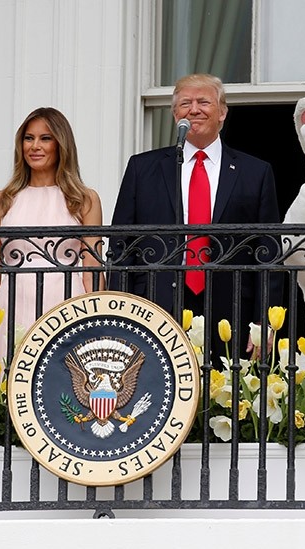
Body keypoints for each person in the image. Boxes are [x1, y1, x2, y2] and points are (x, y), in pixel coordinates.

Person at [109, 73, 282, 363]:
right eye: (185, 103)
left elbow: (268, 251)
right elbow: (121, 245)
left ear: (223, 112)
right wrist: (117, 315)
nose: (194, 109)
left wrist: (265, 321)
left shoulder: (255, 172)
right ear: (175, 114)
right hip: (155, 304)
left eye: (204, 101)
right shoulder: (143, 168)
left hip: (231, 308)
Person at [0, 107, 104, 363]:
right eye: (28, 138)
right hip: (11, 302)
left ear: (61, 144)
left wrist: (96, 325)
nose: (35, 146)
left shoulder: (84, 199)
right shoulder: (0, 201)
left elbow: (92, 269)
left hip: (66, 302)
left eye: (45, 138)